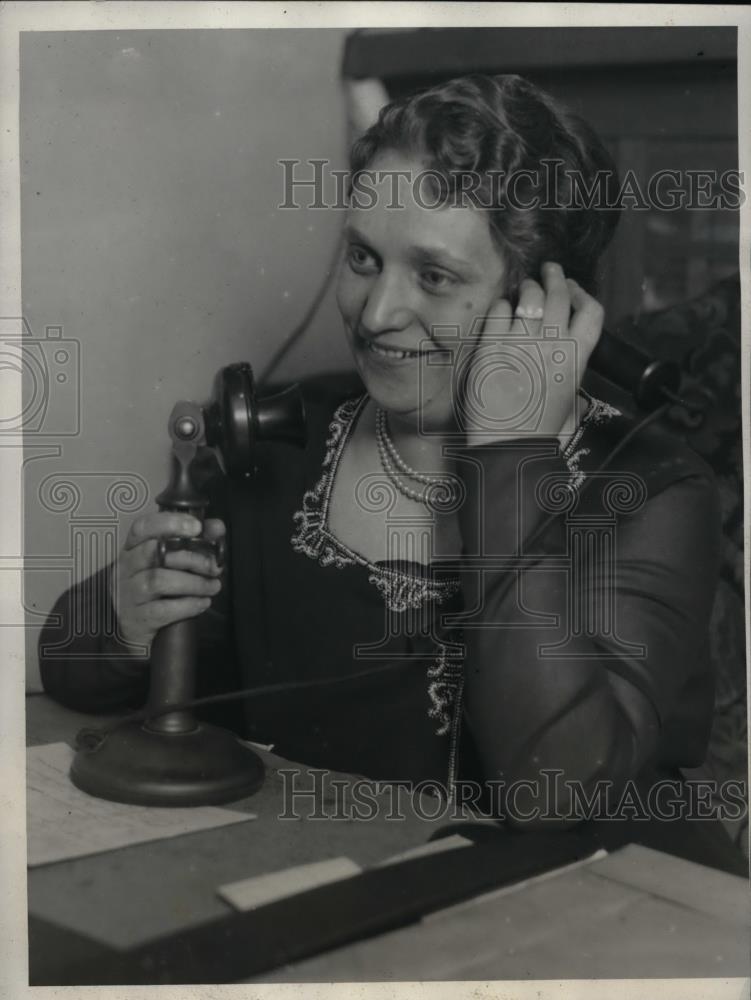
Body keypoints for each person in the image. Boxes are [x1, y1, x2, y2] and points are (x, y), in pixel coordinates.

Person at [39, 75, 743, 865]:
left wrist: (510, 451)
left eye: (434, 277)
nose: (375, 315)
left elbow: (554, 791)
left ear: (541, 307)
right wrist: (125, 621)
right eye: (364, 258)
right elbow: (69, 660)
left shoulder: (649, 490)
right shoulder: (281, 443)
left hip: (591, 914)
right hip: (337, 898)